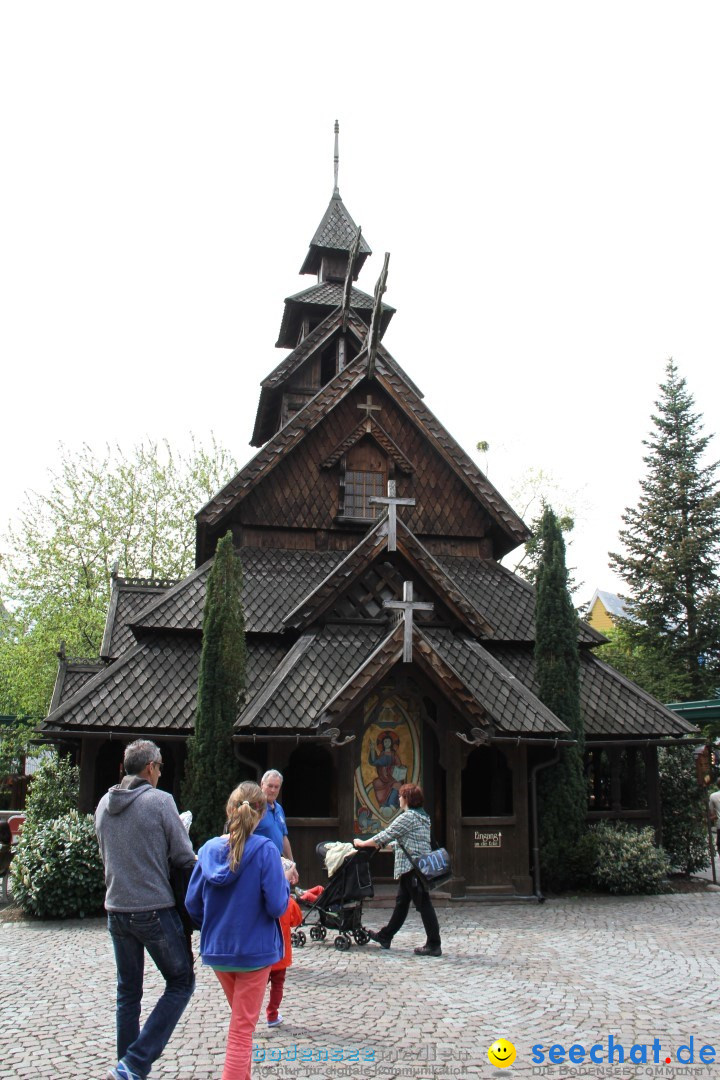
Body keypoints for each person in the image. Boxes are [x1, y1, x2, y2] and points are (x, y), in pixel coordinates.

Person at [95, 739, 196, 1080]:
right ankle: (135, 1063)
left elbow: (107, 857)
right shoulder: (160, 801)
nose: (160, 773)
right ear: (151, 767)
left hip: (116, 909)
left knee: (128, 992)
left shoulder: (102, 806)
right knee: (181, 982)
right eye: (161, 767)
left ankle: (127, 1069)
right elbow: (183, 856)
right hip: (153, 908)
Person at [185, 781, 291, 1080]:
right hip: (254, 953)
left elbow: (192, 904)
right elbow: (276, 905)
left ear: (230, 810)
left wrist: (216, 923)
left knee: (241, 1020)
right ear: (260, 815)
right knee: (242, 1031)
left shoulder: (207, 850)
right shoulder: (266, 850)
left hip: (218, 951)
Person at [353, 782, 442, 957]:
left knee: (424, 905)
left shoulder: (408, 817)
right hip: (416, 867)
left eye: (401, 796)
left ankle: (434, 943)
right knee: (402, 903)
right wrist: (389, 846)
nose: (399, 799)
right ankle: (386, 936)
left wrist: (363, 843)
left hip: (412, 868)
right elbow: (408, 840)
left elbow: (386, 834)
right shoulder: (423, 817)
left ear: (407, 798)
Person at [265, 890, 302, 1028]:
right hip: (280, 956)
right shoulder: (287, 902)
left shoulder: (259, 899)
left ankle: (249, 1015)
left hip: (262, 954)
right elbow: (297, 920)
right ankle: (272, 1015)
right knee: (277, 986)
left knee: (255, 986)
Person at [254, 769, 294, 861]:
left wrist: (292, 863)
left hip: (275, 861)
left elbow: (283, 837)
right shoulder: (255, 808)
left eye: (276, 787)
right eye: (270, 786)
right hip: (259, 861)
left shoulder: (279, 808)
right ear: (262, 784)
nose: (273, 790)